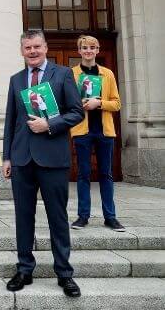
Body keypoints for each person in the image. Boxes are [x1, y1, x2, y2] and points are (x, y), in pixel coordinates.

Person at [2, 30, 84, 297]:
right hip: (22, 159)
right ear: (22, 50)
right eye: (28, 48)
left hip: (53, 158)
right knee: (23, 217)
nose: (33, 51)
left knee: (57, 218)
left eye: (37, 46)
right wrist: (6, 157)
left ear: (45, 47)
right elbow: (11, 121)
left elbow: (76, 112)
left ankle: (64, 273)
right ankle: (24, 268)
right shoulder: (16, 80)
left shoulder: (62, 75)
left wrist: (49, 124)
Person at [70, 35, 124, 231]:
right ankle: (83, 216)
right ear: (79, 51)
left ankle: (110, 217)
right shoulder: (72, 74)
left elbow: (117, 103)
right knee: (83, 174)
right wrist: (80, 104)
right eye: (84, 48)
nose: (88, 51)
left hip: (104, 131)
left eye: (92, 47)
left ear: (98, 50)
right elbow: (66, 103)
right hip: (82, 131)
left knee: (106, 174)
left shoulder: (107, 74)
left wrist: (98, 103)